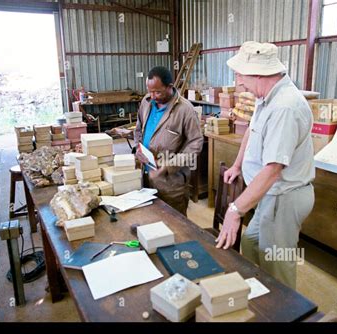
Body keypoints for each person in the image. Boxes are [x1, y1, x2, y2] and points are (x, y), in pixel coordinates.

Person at [215, 42, 315, 289]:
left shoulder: (285, 107)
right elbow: (252, 128)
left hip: (284, 196)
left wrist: (235, 210)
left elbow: (272, 170)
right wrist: (238, 165)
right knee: (250, 242)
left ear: (258, 73)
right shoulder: (266, 96)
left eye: (240, 75)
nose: (239, 83)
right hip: (270, 194)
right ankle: (258, 294)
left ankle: (282, 308)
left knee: (276, 263)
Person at [134, 66, 203, 216]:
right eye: (149, 91)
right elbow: (138, 129)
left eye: (157, 92)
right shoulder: (146, 103)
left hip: (171, 184)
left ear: (170, 87)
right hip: (144, 178)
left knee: (174, 228)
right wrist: (137, 149)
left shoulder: (185, 110)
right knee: (149, 223)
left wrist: (169, 165)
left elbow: (195, 144)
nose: (152, 96)